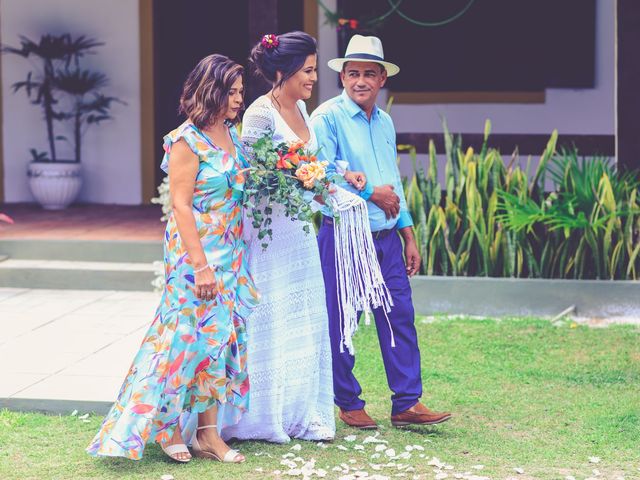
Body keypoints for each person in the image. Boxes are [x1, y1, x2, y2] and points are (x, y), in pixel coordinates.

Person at [87, 54, 259, 463]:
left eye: (240, 92)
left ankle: (208, 435)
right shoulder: (186, 140)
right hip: (194, 256)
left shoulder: (230, 134)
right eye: (231, 92)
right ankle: (164, 426)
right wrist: (200, 265)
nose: (239, 100)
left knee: (217, 342)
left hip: (230, 255)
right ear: (211, 90)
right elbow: (180, 206)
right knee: (182, 341)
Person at [221, 31, 364, 443]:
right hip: (268, 233)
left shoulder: (302, 107)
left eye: (315, 70)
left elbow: (314, 165)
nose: (314, 79)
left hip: (300, 228)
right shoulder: (259, 114)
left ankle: (301, 411)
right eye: (308, 70)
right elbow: (253, 176)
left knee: (303, 314)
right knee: (270, 313)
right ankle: (262, 414)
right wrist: (297, 179)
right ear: (282, 71)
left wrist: (331, 179)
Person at [310, 35, 452, 429]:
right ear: (342, 77)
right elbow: (318, 178)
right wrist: (371, 191)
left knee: (399, 316)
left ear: (382, 79)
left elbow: (394, 182)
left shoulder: (385, 121)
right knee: (342, 321)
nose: (360, 81)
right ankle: (347, 400)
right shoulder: (326, 118)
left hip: (387, 238)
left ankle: (407, 403)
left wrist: (408, 234)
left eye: (369, 74)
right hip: (345, 237)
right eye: (352, 73)